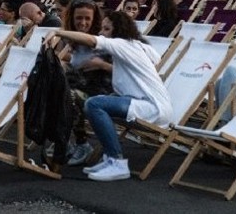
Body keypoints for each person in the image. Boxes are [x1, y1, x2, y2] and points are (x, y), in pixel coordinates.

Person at [49, 11, 172, 181]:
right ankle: (110, 158)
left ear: (118, 30)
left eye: (106, 29)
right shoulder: (137, 45)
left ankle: (117, 162)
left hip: (151, 107)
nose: (102, 32)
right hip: (150, 104)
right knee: (94, 102)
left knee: (94, 104)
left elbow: (92, 40)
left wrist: (58, 32)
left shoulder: (123, 44)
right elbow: (155, 59)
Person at [53, 0, 110, 167]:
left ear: (94, 20)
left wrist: (101, 64)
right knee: (52, 89)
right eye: (79, 18)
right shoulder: (71, 40)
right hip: (80, 85)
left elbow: (118, 70)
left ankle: (82, 143)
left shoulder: (101, 40)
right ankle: (63, 142)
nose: (83, 22)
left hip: (102, 91)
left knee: (68, 95)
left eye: (87, 18)